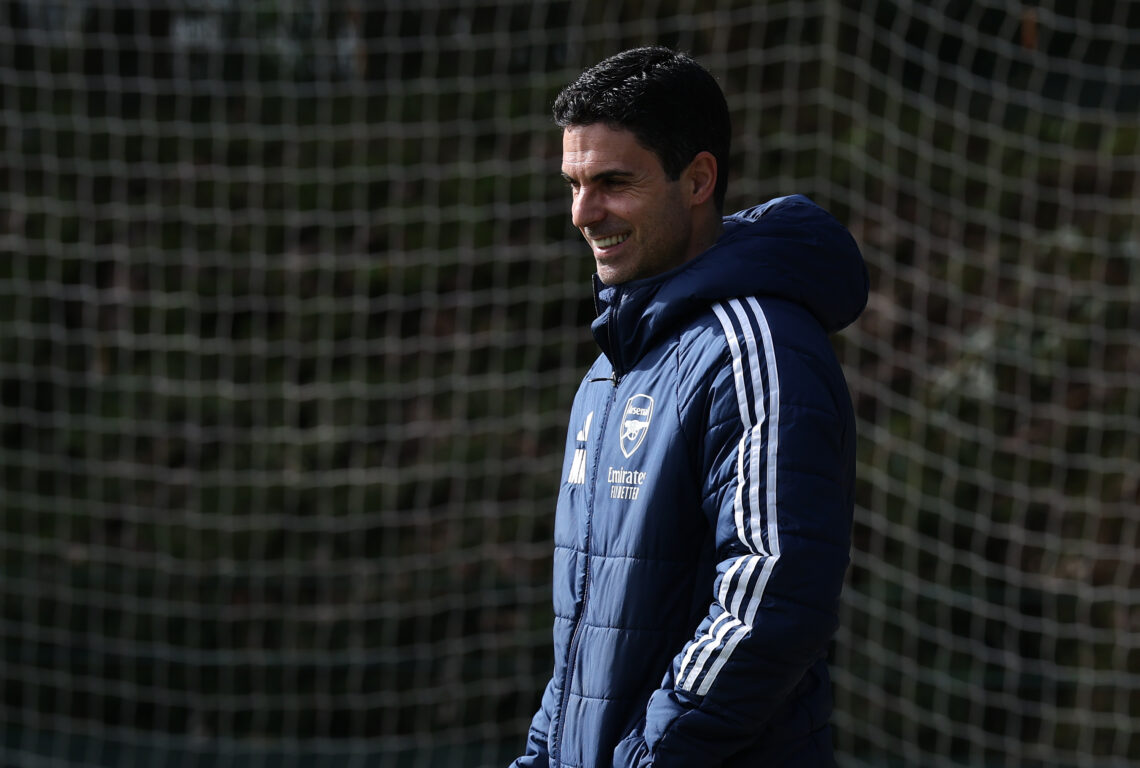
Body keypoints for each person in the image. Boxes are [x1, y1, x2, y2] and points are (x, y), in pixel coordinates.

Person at [511, 46, 869, 768]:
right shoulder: (612, 368)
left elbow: (770, 597)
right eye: (574, 184)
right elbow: (585, 634)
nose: (584, 213)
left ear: (698, 178)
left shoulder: (755, 348)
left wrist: (648, 758)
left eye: (613, 182)